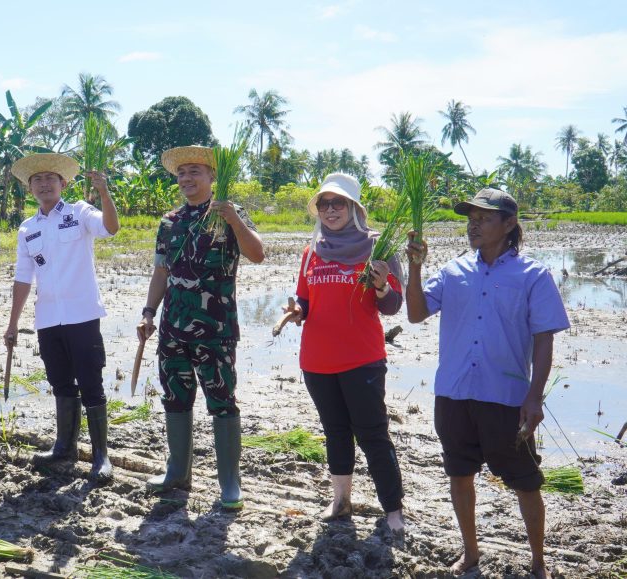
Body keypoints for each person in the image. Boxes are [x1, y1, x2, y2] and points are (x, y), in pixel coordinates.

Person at [406, 188, 569, 578]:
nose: (473, 225)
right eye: (471, 218)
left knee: (525, 480)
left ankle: (538, 562)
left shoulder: (532, 275)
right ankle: (471, 552)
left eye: (484, 218)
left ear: (509, 224)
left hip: (505, 398)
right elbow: (415, 313)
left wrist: (534, 397)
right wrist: (414, 268)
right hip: (454, 394)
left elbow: (544, 339)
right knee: (459, 474)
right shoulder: (453, 271)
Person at [137, 146, 264, 510]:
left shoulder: (229, 213)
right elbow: (161, 271)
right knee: (175, 398)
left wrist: (234, 220)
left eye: (195, 171)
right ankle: (177, 472)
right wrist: (148, 313)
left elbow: (258, 254)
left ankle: (230, 483)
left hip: (216, 329)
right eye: (182, 173)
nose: (187, 178)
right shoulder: (170, 221)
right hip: (173, 329)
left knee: (222, 401)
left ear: (212, 176)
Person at [277, 173, 405, 530]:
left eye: (339, 203)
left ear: (354, 208)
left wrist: (382, 286)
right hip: (317, 361)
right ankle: (340, 502)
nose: (330, 210)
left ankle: (393, 511)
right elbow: (305, 300)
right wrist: (296, 311)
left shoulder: (377, 248)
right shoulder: (312, 252)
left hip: (362, 359)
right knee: (335, 431)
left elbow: (393, 306)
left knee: (373, 434)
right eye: (324, 204)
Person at [4, 153, 120, 484]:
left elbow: (110, 228)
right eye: (37, 180)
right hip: (48, 318)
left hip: (82, 314)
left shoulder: (80, 212)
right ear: (30, 188)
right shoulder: (27, 229)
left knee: (91, 383)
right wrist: (13, 323)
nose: (44, 184)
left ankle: (100, 455)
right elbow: (23, 277)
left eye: (50, 178)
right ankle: (64, 447)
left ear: (63, 183)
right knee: (60, 383)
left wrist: (104, 192)